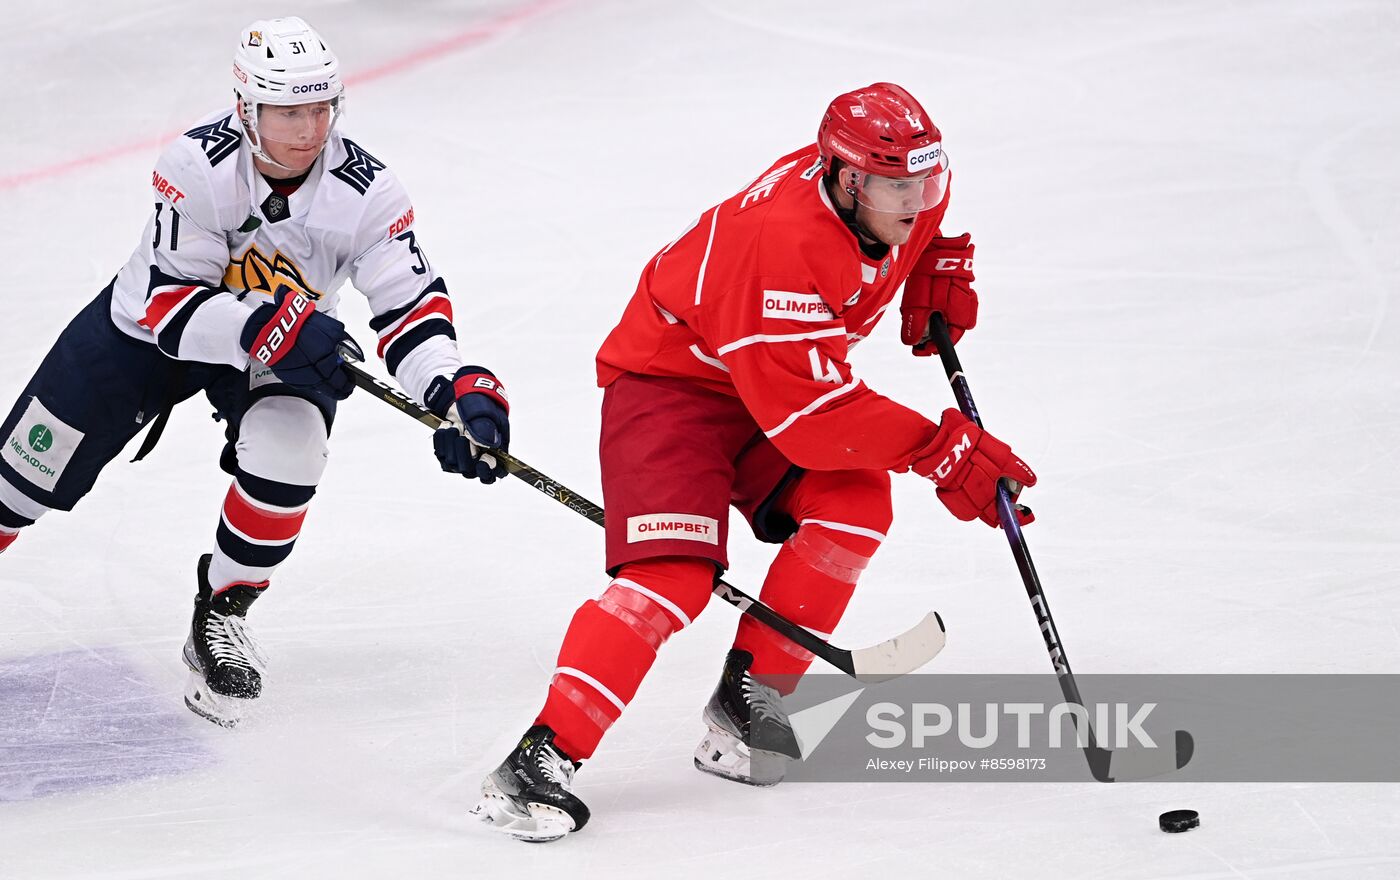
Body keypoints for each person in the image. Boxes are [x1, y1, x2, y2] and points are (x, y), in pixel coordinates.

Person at [470, 82, 1037, 842]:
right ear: (846, 177)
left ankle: (749, 706)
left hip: (765, 380)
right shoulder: (782, 242)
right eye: (899, 188)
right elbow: (815, 421)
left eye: (925, 182)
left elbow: (918, 231)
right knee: (671, 577)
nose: (917, 200)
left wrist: (935, 260)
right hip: (671, 385)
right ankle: (538, 760)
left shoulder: (902, 188)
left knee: (856, 506)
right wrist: (941, 451)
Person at [0, 17, 509, 728]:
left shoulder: (368, 191)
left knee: (291, 451)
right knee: (17, 480)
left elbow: (409, 306)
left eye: (320, 108)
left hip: (277, 341)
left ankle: (223, 607)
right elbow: (169, 310)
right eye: (288, 112)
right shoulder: (196, 166)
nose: (308, 129)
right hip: (144, 335)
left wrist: (453, 390)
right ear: (247, 109)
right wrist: (267, 327)